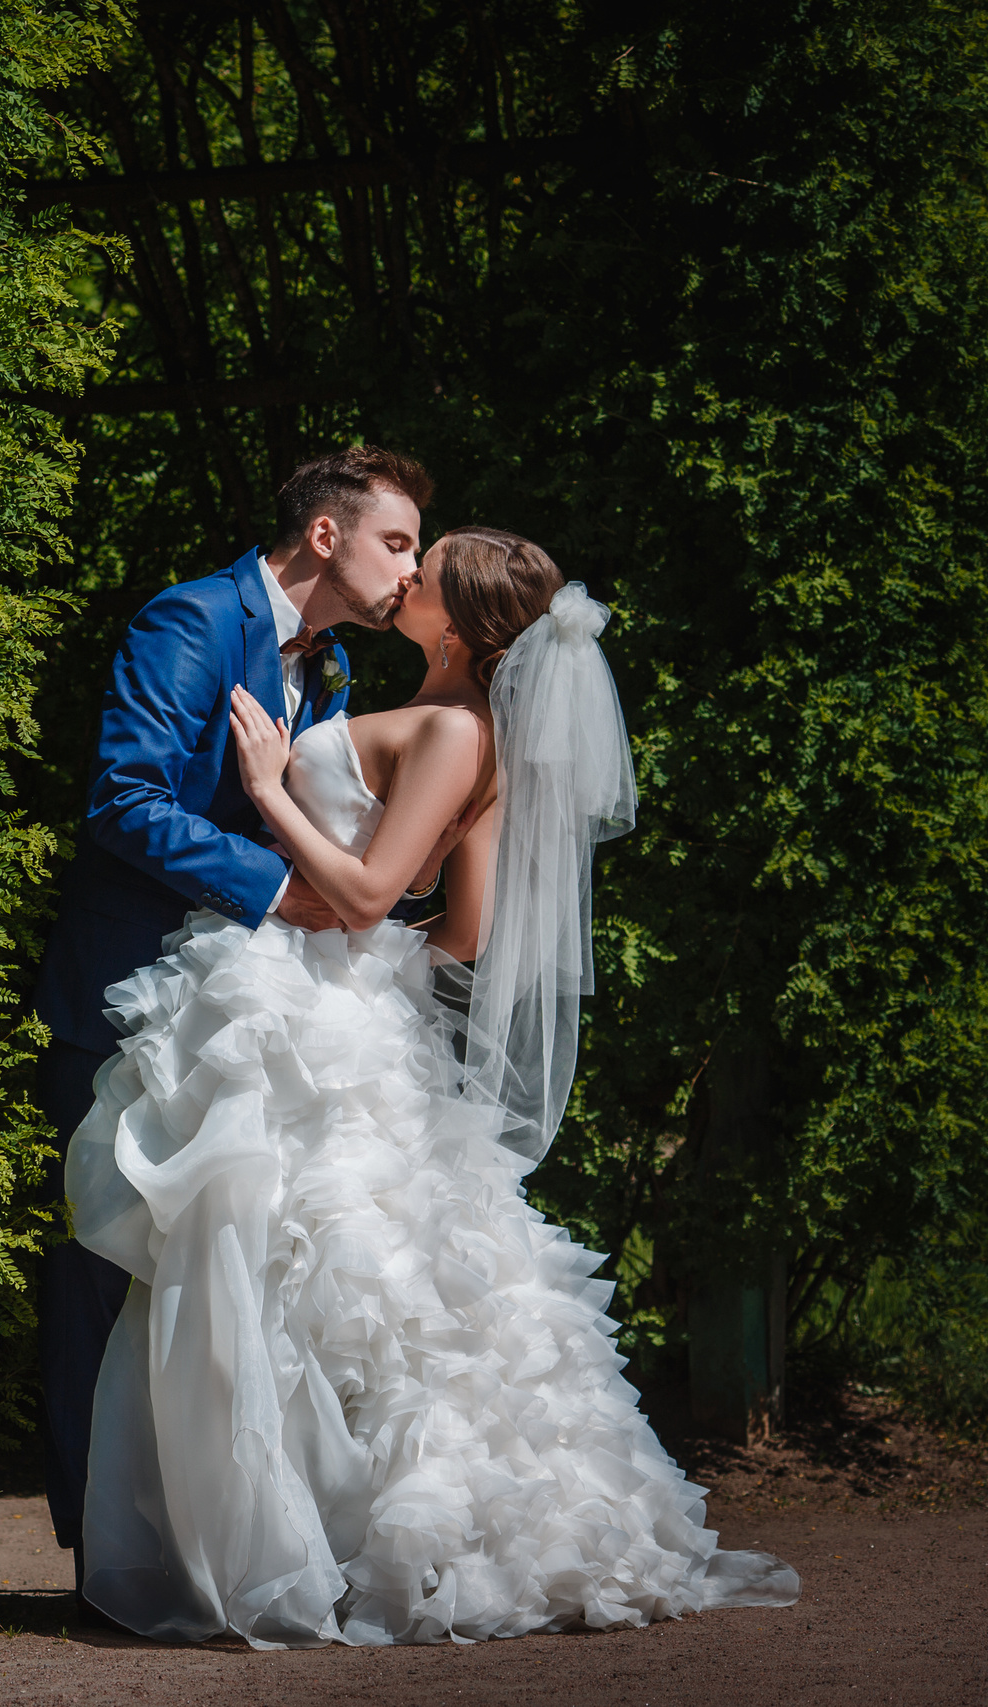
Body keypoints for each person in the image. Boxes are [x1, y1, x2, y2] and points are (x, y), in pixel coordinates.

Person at [64, 526, 801, 1645]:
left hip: (321, 993)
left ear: (454, 619)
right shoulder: (480, 736)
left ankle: (320, 1533)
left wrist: (270, 790)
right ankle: (337, 1517)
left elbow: (361, 898)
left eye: (426, 566)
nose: (405, 576)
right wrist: (368, 943)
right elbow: (460, 930)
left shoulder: (456, 730)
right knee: (345, 1275)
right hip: (350, 1007)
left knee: (309, 1272)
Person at [29, 446, 439, 1603]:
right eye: (396, 541)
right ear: (326, 536)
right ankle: (99, 1558)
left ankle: (207, 1544)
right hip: (129, 995)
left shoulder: (336, 664)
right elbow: (124, 797)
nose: (409, 568)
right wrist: (279, 891)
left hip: (244, 1005)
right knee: (104, 1268)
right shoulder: (193, 620)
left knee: (233, 1271)